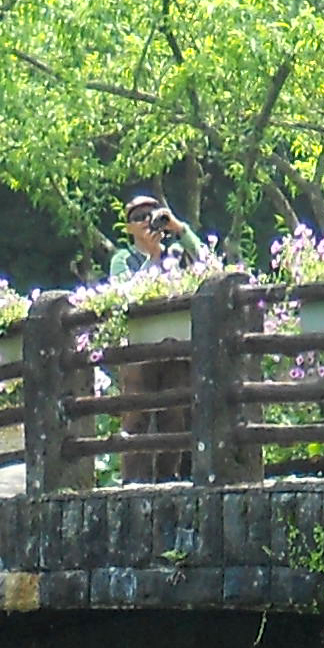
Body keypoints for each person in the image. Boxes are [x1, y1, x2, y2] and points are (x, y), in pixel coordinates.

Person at [106, 192, 198, 480]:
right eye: (138, 218)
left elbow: (205, 261)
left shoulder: (176, 254)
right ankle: (134, 481)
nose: (146, 221)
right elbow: (124, 291)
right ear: (129, 227)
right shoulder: (123, 259)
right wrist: (152, 258)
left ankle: (169, 478)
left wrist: (179, 229)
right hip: (138, 347)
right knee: (136, 414)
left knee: (175, 414)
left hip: (175, 345)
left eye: (152, 215)